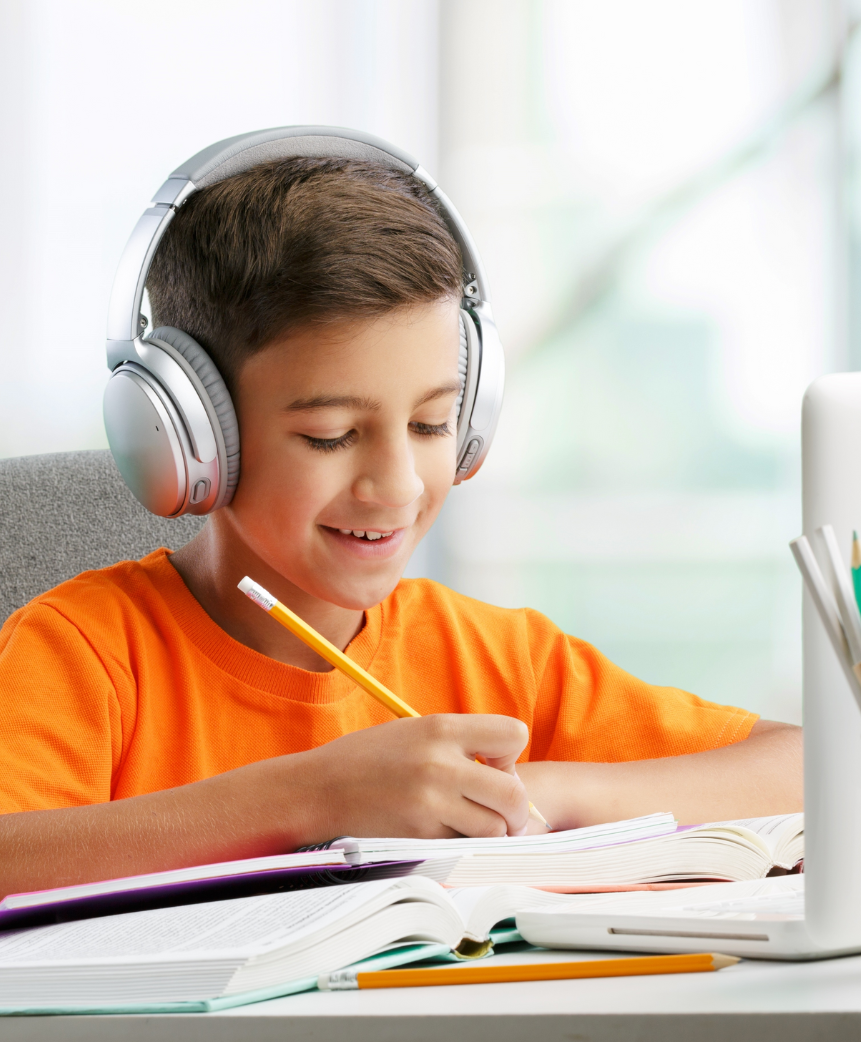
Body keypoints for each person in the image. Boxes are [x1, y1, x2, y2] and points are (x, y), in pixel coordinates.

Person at [0, 155, 801, 897]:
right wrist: (315, 795)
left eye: (431, 425)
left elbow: (804, 765)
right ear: (195, 437)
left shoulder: (496, 660)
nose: (397, 484)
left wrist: (553, 793)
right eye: (331, 436)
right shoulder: (85, 652)